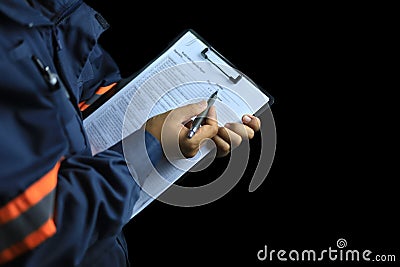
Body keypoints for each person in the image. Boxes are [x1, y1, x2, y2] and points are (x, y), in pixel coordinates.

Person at [0, 1, 261, 266]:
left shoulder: (47, 14)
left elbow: (81, 101)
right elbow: (40, 237)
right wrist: (149, 146)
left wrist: (173, 132)